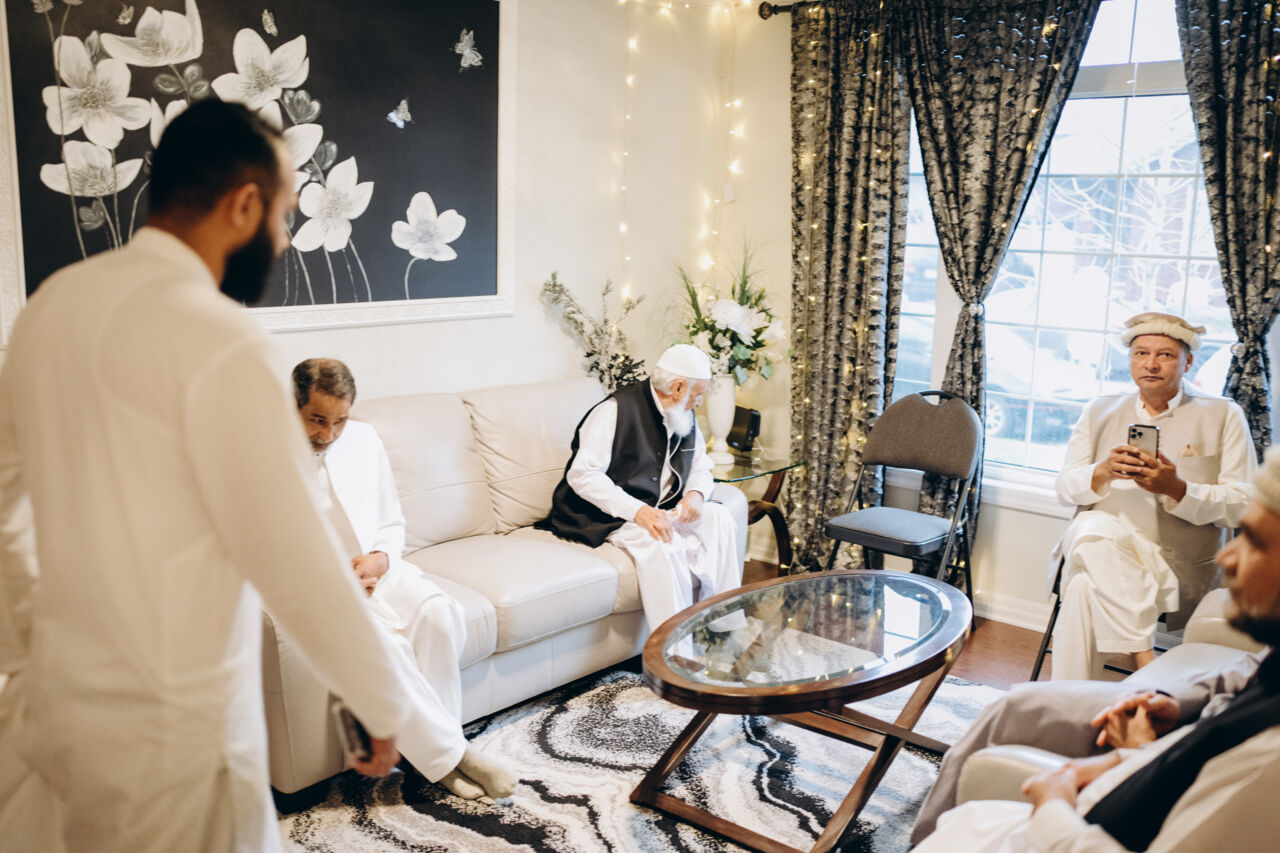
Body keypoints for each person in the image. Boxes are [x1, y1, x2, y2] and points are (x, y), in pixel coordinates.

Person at [0, 100, 412, 853]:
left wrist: (27, 649)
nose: (283, 238)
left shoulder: (46, 311)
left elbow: (3, 513)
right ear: (244, 204)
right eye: (283, 215)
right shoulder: (224, 343)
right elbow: (296, 560)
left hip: (50, 702)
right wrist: (379, 700)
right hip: (173, 728)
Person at [910, 447, 1280, 852]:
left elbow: (1236, 502)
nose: (1227, 557)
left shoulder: (1265, 765)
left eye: (1255, 542)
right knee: (1087, 554)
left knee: (1088, 553)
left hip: (1167, 568)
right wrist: (1177, 703)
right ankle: (1142, 654)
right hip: (1113, 585)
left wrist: (1070, 791)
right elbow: (1249, 673)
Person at [292, 358, 514, 800]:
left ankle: (438, 754)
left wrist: (380, 559)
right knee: (383, 646)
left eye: (339, 421)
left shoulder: (364, 439)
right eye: (317, 419)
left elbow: (391, 519)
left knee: (437, 613)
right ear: (293, 405)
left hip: (378, 570)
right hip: (317, 586)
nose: (329, 434)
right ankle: (453, 758)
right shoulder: (267, 456)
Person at [1050, 311, 1254, 680]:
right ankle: (1143, 661)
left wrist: (1176, 488)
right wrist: (1102, 471)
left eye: (1166, 355)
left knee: (1083, 577)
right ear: (1130, 359)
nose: (1151, 364)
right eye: (1141, 353)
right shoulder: (1100, 409)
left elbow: (1243, 506)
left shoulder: (1223, 414)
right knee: (1094, 529)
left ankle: (1069, 698)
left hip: (1174, 565)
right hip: (1105, 550)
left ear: (1187, 362)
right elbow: (1065, 488)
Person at [536, 344, 742, 630]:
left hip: (661, 508)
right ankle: (673, 648)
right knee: (663, 543)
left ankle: (722, 628)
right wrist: (638, 511)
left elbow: (700, 467)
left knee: (719, 517)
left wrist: (696, 495)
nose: (699, 402)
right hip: (607, 514)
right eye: (699, 394)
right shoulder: (615, 411)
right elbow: (583, 474)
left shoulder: (683, 412)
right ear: (678, 388)